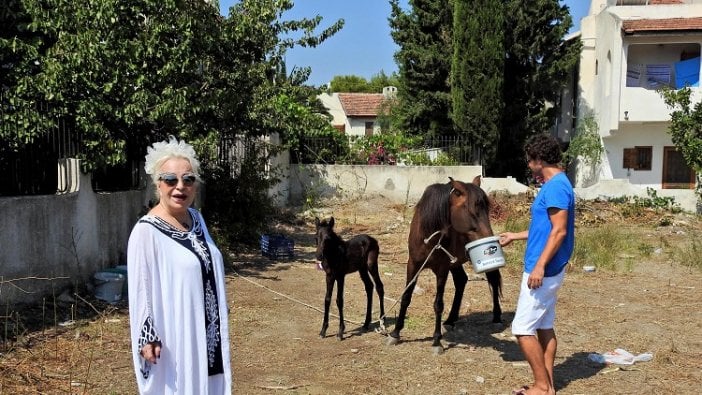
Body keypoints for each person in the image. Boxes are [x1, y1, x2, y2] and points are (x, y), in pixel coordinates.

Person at [127, 136, 232, 394]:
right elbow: (141, 287)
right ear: (157, 184)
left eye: (188, 179)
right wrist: (146, 335)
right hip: (176, 333)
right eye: (170, 180)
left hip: (207, 330)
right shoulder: (146, 231)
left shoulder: (196, 218)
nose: (180, 187)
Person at [499, 134, 575, 395]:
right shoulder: (556, 184)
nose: (529, 166)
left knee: (522, 329)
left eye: (530, 161)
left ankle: (541, 387)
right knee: (543, 326)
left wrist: (540, 266)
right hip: (548, 267)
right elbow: (545, 229)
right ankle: (549, 384)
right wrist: (515, 236)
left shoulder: (556, 187)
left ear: (539, 160)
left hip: (544, 270)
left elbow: (559, 231)